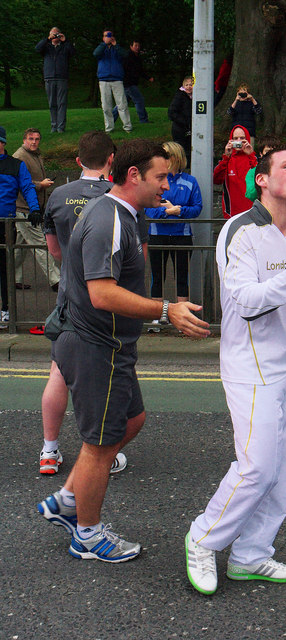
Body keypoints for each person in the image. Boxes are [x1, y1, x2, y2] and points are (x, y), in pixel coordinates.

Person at [37, 139, 210, 563]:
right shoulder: (109, 219)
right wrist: (165, 308)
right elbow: (102, 294)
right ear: (134, 176)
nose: (167, 187)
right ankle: (88, 536)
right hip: (96, 345)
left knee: (132, 420)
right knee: (100, 444)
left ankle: (67, 500)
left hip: (111, 345)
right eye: (161, 177)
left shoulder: (123, 215)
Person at [185, 147, 286, 595]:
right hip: (251, 368)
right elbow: (245, 302)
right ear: (261, 179)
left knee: (282, 470)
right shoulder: (240, 230)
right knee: (256, 467)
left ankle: (252, 554)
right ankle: (202, 537)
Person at [40, 131, 128, 475]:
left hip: (70, 295)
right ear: (111, 160)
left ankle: (49, 451)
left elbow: (54, 251)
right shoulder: (119, 197)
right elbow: (137, 255)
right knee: (113, 375)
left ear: (78, 161)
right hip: (109, 296)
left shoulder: (59, 196)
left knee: (59, 371)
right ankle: (103, 452)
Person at [145, 141, 202, 330]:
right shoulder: (155, 179)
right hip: (157, 234)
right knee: (157, 276)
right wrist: (166, 213)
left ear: (175, 158)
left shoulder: (190, 181)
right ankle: (156, 317)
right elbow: (148, 208)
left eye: (166, 156)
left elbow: (197, 208)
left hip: (182, 235)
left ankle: (184, 317)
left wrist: (179, 211)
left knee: (182, 276)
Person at [0, 126, 41, 327]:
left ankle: (5, 309)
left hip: (5, 223)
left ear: (2, 143)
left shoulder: (15, 165)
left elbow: (27, 186)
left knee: (4, 269)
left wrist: (34, 209)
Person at [13, 128, 60, 291]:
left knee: (19, 247)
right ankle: (57, 280)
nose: (34, 142)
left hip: (31, 208)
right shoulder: (20, 157)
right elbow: (19, 183)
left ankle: (13, 278)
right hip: (24, 208)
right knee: (40, 244)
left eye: (37, 139)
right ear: (24, 139)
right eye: (31, 139)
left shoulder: (35, 154)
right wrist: (41, 184)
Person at [35, 27, 75, 133]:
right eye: (53, 34)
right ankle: (54, 126)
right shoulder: (46, 47)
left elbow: (73, 52)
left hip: (62, 77)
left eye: (57, 34)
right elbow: (37, 48)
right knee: (52, 103)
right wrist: (48, 39)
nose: (55, 36)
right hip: (49, 77)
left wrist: (65, 40)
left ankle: (61, 127)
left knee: (62, 103)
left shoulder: (65, 47)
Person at [213, 125, 257, 219]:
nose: (238, 141)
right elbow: (216, 179)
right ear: (230, 140)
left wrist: (251, 155)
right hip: (231, 213)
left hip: (252, 212)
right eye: (235, 138)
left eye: (242, 138)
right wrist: (226, 157)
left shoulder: (252, 158)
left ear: (247, 140)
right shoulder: (227, 159)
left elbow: (261, 177)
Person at [93, 29, 132, 133]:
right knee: (106, 106)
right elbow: (95, 54)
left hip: (117, 79)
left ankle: (127, 127)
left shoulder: (117, 49)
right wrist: (104, 44)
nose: (108, 37)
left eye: (110, 35)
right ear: (103, 37)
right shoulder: (101, 49)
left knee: (122, 104)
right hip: (104, 80)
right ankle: (109, 128)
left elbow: (126, 55)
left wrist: (116, 45)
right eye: (106, 35)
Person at [113, 40, 153, 124]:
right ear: (131, 46)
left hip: (130, 83)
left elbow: (140, 70)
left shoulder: (137, 57)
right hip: (128, 83)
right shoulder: (127, 56)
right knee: (139, 100)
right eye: (135, 45)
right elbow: (124, 69)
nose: (137, 47)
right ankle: (143, 120)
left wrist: (148, 77)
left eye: (138, 46)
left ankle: (111, 119)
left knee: (122, 103)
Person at [245, 135, 280, 202]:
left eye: (274, 151)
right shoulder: (253, 172)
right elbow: (250, 195)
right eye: (267, 151)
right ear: (261, 154)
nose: (271, 154)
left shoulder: (285, 170)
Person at [168, 76, 193, 167]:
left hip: (189, 128)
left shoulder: (194, 97)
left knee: (188, 149)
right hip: (180, 128)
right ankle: (180, 167)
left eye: (191, 85)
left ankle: (188, 166)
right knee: (180, 149)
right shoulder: (179, 96)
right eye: (186, 85)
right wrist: (184, 122)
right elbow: (171, 113)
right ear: (183, 86)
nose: (189, 87)